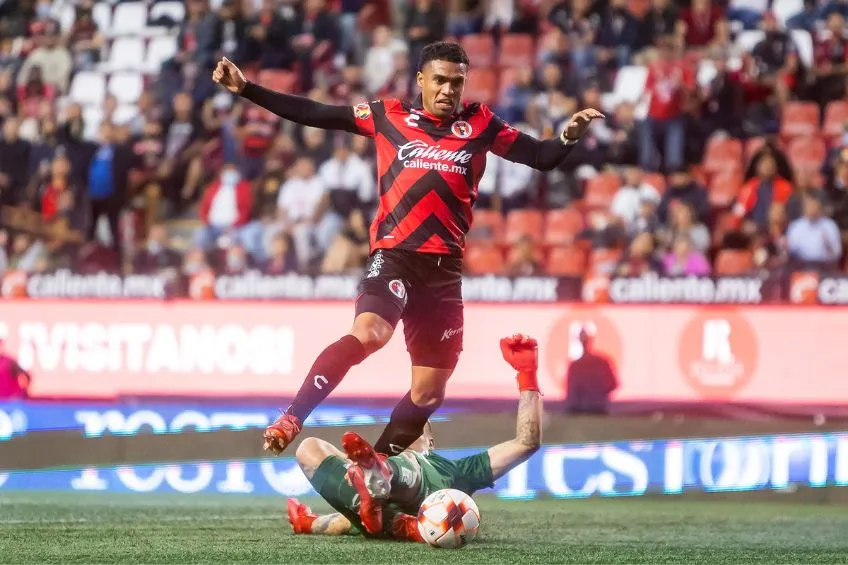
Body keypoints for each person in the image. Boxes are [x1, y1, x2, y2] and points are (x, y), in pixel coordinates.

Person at [212, 41, 603, 457]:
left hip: (444, 272)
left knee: (429, 393)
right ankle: (293, 416)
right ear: (421, 80)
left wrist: (568, 136)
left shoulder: (481, 123)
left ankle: (374, 470)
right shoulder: (388, 115)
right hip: (395, 256)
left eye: (457, 82)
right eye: (440, 80)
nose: (449, 90)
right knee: (369, 333)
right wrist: (248, 89)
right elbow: (316, 113)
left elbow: (541, 156)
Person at [286, 334, 542, 539]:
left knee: (407, 463)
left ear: (430, 442)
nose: (404, 431)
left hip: (410, 492)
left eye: (415, 426)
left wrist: (527, 375)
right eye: (400, 426)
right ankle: (397, 513)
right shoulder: (374, 496)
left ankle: (381, 477)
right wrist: (308, 523)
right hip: (381, 512)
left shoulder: (458, 472)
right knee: (307, 448)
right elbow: (349, 521)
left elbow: (526, 442)